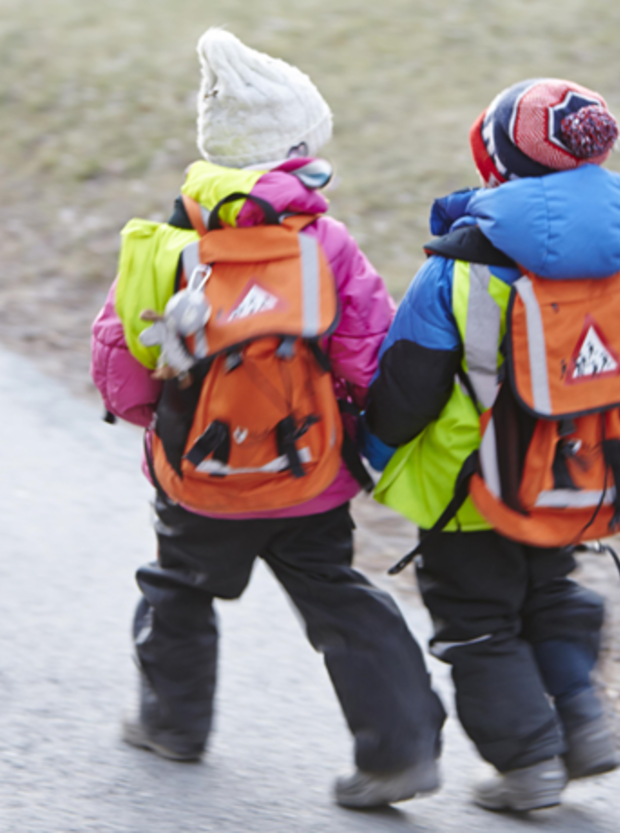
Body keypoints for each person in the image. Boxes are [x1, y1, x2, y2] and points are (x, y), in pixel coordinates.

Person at [90, 28, 445, 809]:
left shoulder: (167, 241)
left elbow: (118, 358)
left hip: (199, 474)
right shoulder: (327, 244)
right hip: (307, 471)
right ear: (296, 152)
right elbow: (368, 353)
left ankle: (172, 723)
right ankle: (398, 750)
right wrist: (365, 435)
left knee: (176, 588)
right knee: (337, 597)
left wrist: (159, 424)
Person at [364, 79, 620, 811]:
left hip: (472, 485)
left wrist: (372, 450)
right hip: (571, 471)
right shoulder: (610, 258)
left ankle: (527, 763)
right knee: (549, 591)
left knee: (476, 620)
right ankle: (583, 721)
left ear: (495, 165)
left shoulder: (459, 267)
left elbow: (407, 385)